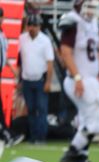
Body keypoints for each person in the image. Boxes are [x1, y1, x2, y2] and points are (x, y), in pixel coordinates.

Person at [58, 0, 99, 162]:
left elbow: (98, 55)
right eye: (89, 7)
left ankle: (81, 160)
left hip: (90, 80)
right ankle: (72, 153)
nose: (92, 11)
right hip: (79, 79)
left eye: (94, 7)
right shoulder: (71, 20)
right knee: (95, 124)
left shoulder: (92, 24)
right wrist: (77, 76)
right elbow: (66, 51)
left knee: (89, 122)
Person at [18, 13, 54, 144]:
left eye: (35, 25)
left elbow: (50, 62)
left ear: (39, 26)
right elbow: (19, 59)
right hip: (27, 79)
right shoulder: (22, 39)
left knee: (42, 109)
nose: (32, 28)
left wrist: (49, 81)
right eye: (30, 25)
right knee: (31, 109)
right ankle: (33, 137)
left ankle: (41, 137)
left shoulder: (45, 40)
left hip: (40, 79)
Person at [0, 7, 21, 147]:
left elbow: (3, 56)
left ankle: (6, 133)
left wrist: (12, 69)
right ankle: (6, 134)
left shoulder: (2, 34)